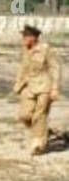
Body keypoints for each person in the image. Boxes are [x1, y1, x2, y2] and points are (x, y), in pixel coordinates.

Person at [13, 23, 60, 156]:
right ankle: (41, 131)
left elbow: (55, 68)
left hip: (44, 86)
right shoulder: (25, 50)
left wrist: (55, 88)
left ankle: (38, 144)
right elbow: (23, 68)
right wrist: (18, 84)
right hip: (28, 87)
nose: (23, 39)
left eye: (25, 36)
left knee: (40, 114)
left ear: (33, 37)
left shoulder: (45, 50)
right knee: (24, 115)